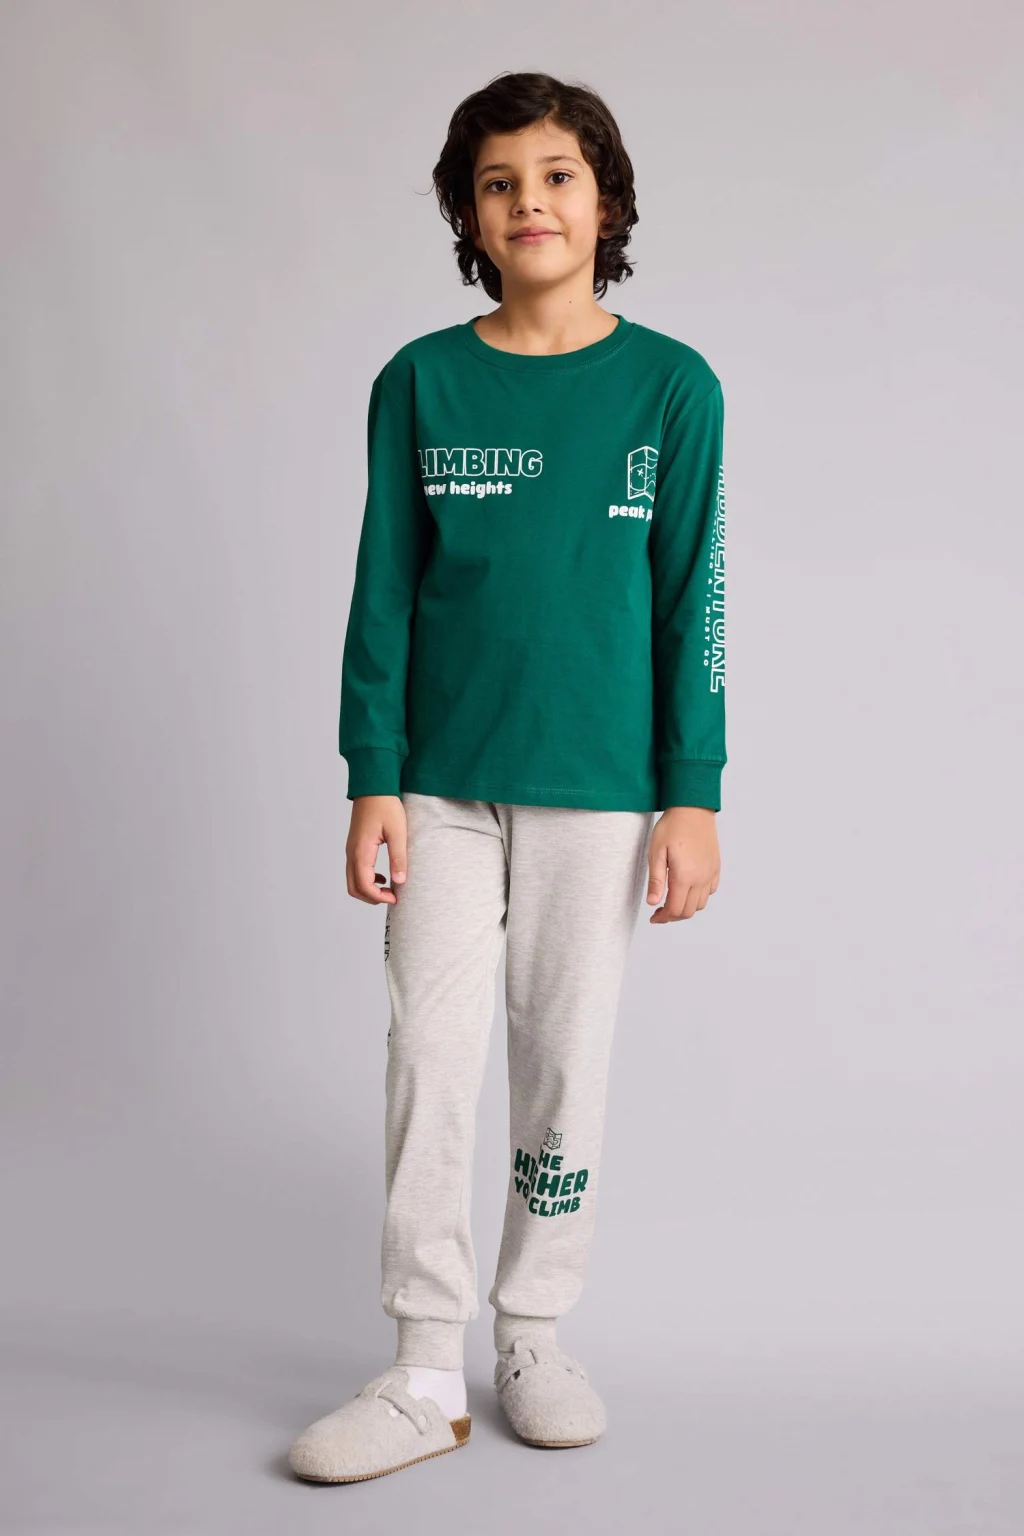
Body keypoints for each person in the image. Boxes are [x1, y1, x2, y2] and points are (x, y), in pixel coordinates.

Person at [288, 69, 727, 1484]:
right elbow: (383, 588)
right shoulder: (422, 381)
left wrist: (694, 790)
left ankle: (532, 1329)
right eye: (499, 182)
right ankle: (426, 1362)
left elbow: (696, 600)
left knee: (563, 1062)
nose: (529, 201)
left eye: (557, 176)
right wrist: (372, 772)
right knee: (429, 1057)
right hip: (440, 788)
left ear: (606, 203)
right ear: (468, 217)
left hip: (599, 789)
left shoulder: (673, 388)